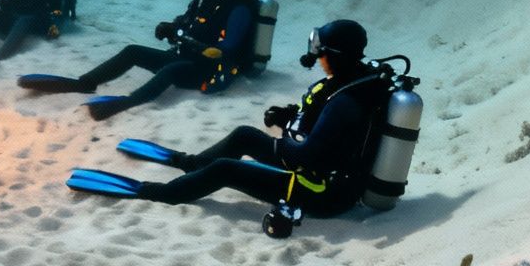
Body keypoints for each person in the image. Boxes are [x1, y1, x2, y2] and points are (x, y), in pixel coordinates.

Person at [68, 20, 384, 234]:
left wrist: (282, 143)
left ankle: (161, 193)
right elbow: (326, 130)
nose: (317, 57)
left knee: (225, 169)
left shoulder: (346, 99)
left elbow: (307, 157)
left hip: (321, 191)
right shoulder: (350, 81)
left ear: (336, 55)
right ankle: (189, 164)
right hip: (319, 170)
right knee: (244, 135)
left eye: (322, 51)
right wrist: (288, 118)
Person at [19, 0, 258, 121]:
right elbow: (185, 20)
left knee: (170, 71)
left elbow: (227, 47)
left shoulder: (239, 6)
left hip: (210, 69)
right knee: (132, 51)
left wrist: (191, 43)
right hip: (183, 56)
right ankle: (85, 82)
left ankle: (130, 101)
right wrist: (170, 27)